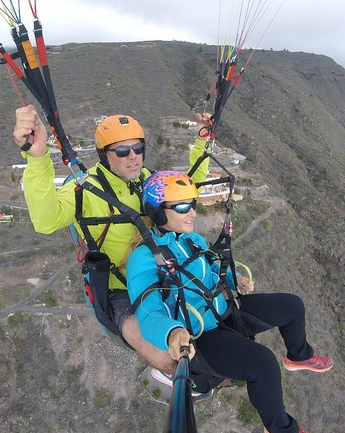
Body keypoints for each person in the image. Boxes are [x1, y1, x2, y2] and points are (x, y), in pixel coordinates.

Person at [126, 170, 333, 433]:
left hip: (225, 310)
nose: (193, 213)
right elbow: (147, 311)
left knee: (292, 306)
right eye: (183, 206)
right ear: (159, 212)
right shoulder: (144, 258)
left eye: (193, 203)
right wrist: (172, 332)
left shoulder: (192, 240)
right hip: (201, 333)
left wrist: (237, 279)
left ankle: (299, 355)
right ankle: (281, 430)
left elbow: (214, 269)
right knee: (263, 363)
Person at [13, 105, 210, 374]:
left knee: (214, 320)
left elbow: (187, 189)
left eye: (138, 149)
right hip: (120, 290)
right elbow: (46, 221)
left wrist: (202, 141)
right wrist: (37, 159)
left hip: (160, 275)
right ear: (104, 156)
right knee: (170, 360)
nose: (133, 157)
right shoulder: (86, 190)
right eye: (121, 151)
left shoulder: (150, 180)